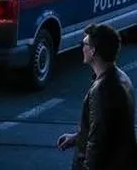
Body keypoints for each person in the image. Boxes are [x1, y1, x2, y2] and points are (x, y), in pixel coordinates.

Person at [57, 23, 137, 169]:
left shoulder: (102, 90)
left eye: (84, 43)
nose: (82, 47)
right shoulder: (122, 78)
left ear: (93, 51)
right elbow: (108, 128)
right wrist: (77, 138)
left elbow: (97, 145)